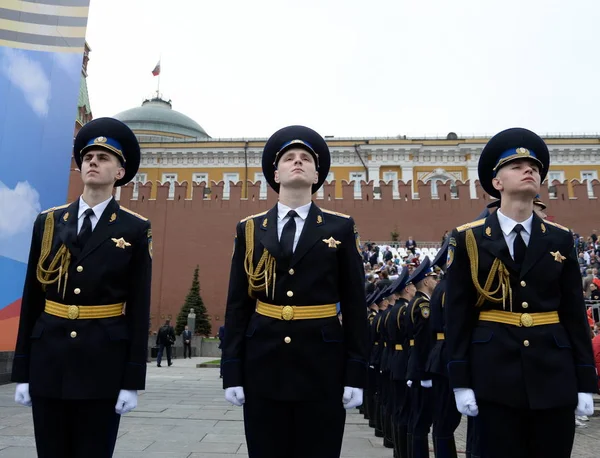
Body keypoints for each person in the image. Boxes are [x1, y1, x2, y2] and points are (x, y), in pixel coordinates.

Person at [446, 128, 597, 458]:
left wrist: (586, 380)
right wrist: (460, 380)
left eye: (534, 167)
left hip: (553, 377)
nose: (529, 169)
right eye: (517, 166)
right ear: (497, 183)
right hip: (492, 377)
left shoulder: (560, 239)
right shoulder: (468, 238)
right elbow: (458, 315)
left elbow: (574, 314)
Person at [222, 125, 368, 458]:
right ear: (276, 172)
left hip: (323, 366)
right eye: (289, 158)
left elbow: (356, 306)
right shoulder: (249, 229)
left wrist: (356, 371)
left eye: (306, 158)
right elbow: (237, 305)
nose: (297, 162)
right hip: (263, 364)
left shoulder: (340, 228)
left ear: (318, 174)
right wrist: (232, 368)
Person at [11, 117, 151, 458]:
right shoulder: (49, 221)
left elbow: (139, 306)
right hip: (49, 360)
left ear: (120, 172)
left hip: (102, 363)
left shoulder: (134, 228)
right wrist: (23, 369)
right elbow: (31, 298)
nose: (93, 162)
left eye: (103, 158)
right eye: (88, 156)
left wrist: (132, 380)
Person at [405, 257, 438, 458]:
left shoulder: (415, 302)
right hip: (421, 369)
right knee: (422, 421)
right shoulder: (422, 306)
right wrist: (426, 372)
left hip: (415, 366)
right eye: (434, 278)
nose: (436, 281)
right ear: (426, 281)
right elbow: (425, 341)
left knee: (418, 419)